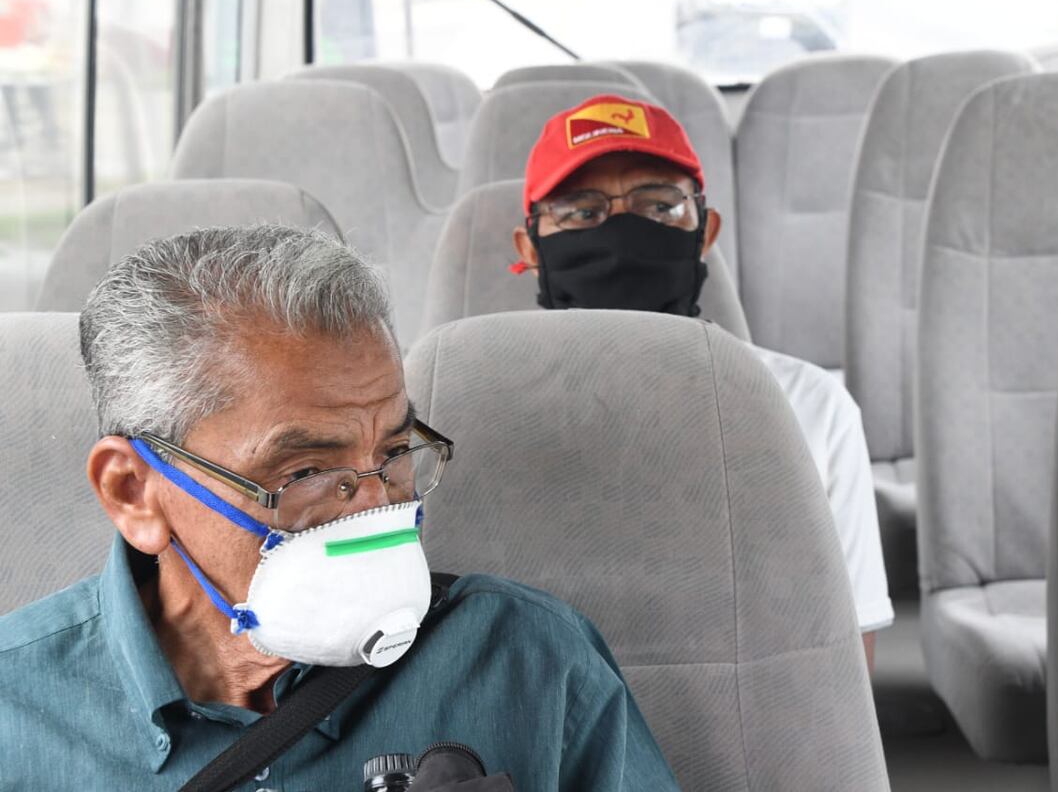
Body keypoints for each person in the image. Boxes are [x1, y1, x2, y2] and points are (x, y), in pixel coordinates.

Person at [0, 225, 679, 790]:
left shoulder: (528, 660)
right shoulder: (16, 715)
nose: (377, 511)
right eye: (305, 472)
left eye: (392, 454)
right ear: (133, 491)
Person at [510, 95, 894, 667]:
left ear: (705, 230)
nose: (621, 232)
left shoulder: (809, 408)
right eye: (581, 212)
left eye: (658, 206)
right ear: (529, 248)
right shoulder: (476, 416)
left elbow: (847, 659)